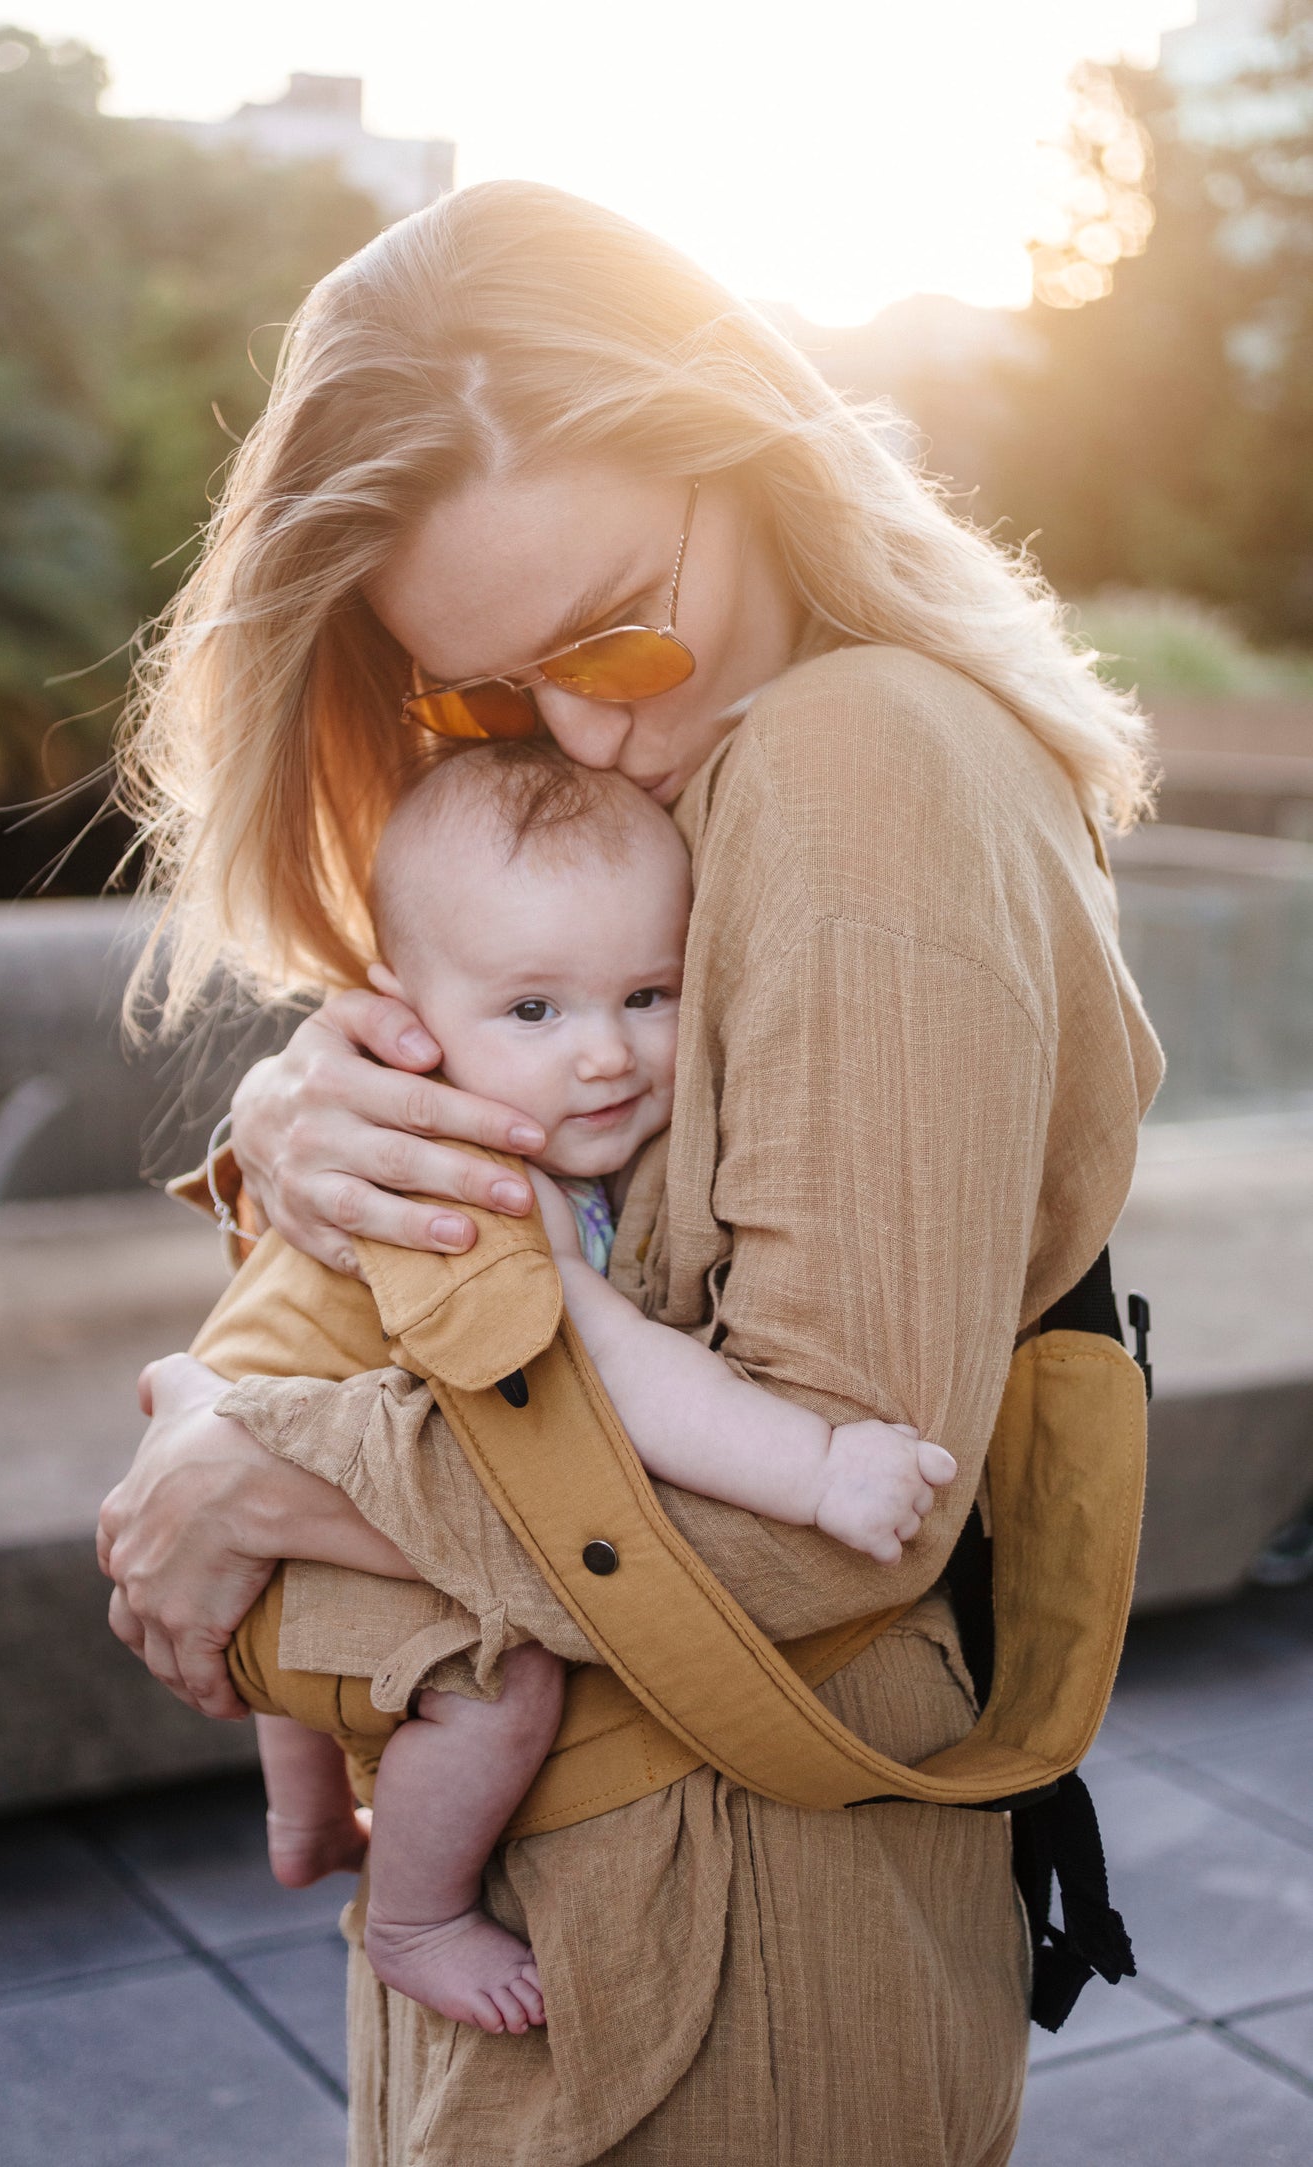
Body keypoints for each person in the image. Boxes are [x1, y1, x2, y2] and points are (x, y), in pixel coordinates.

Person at [99, 178, 1163, 2165]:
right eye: (487, 692)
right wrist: (297, 1133)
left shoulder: (856, 762)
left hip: (714, 1971)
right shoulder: (722, 762)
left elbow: (837, 1502)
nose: (592, 727)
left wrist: (266, 1504)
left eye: (617, 626)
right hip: (620, 1918)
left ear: (746, 444)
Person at [242, 739, 957, 2035]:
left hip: (268, 1460)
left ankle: (301, 1808)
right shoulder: (473, 1184)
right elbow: (618, 1372)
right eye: (533, 1011)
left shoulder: (494, 1117)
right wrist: (816, 1468)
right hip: (270, 1484)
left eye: (648, 995)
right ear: (406, 1020)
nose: (606, 1058)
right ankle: (413, 1915)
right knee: (500, 1689)